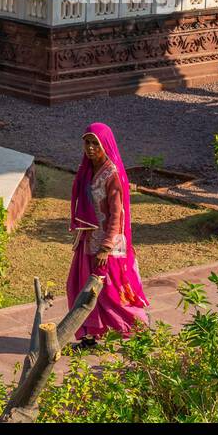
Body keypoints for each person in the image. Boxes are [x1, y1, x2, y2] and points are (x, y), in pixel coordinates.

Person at [66, 122, 149, 344]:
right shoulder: (87, 169)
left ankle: (139, 329)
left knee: (111, 294)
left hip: (108, 246)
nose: (90, 148)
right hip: (88, 240)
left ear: (105, 145)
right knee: (79, 288)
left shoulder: (112, 174)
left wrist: (106, 247)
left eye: (96, 143)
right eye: (87, 142)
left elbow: (117, 214)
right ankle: (89, 336)